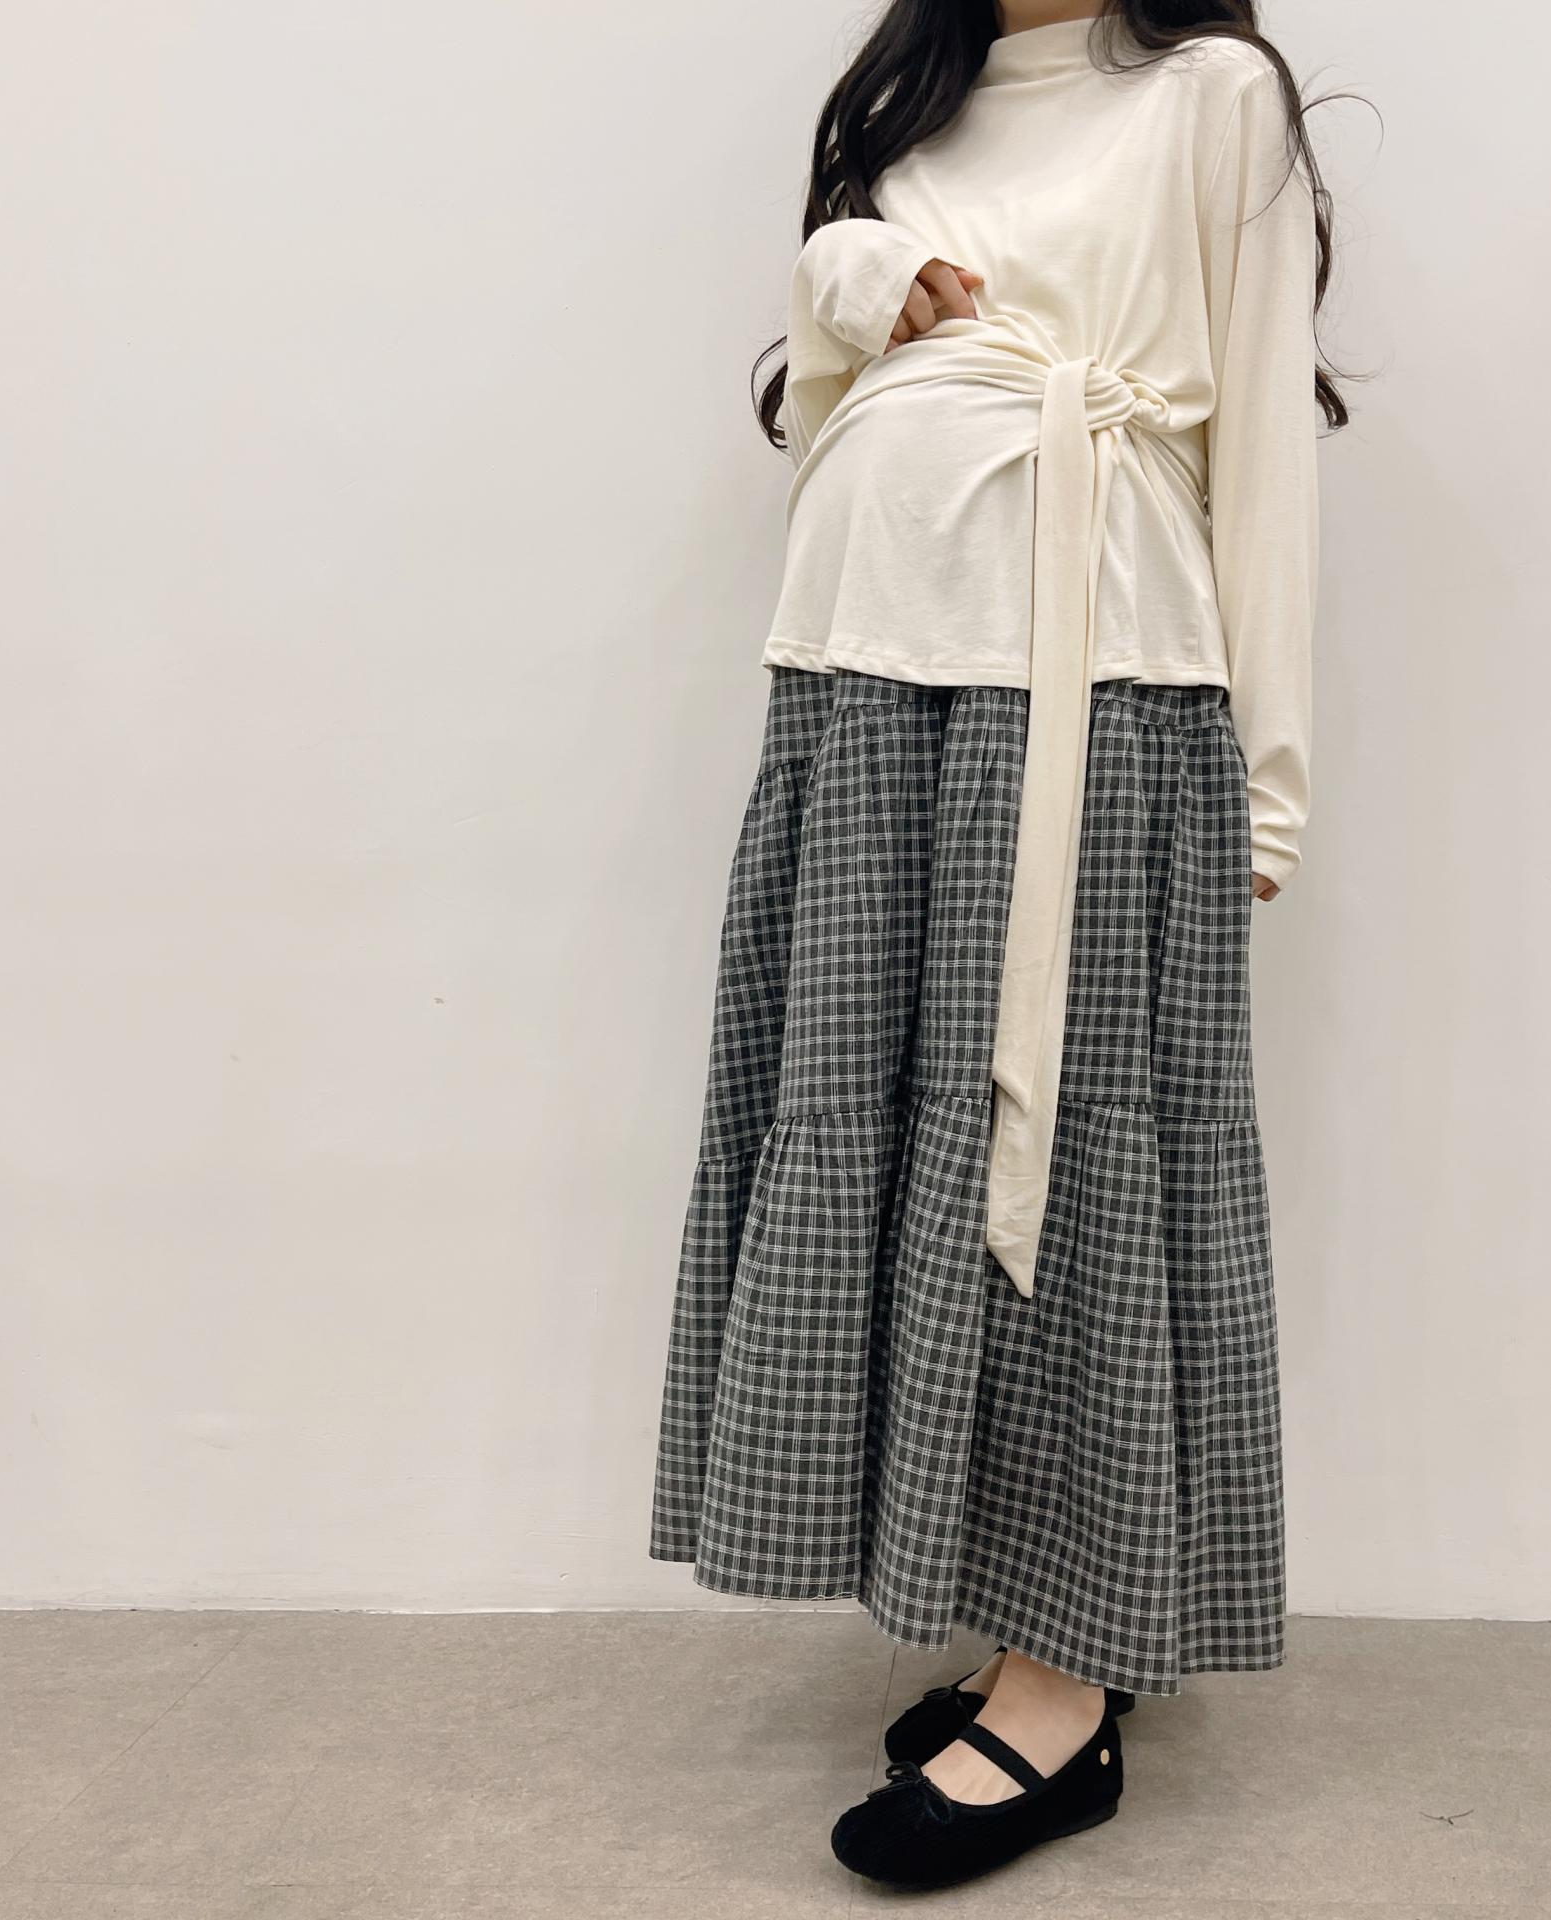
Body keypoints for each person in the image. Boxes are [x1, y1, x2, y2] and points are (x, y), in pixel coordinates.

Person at [651, 0, 1344, 1889]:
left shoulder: (1211, 96)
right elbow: (824, 418)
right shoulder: (910, 112)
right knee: (897, 1153)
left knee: (1074, 1161)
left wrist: (1268, 787)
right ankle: (1008, 1604)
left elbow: (1261, 445)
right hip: (862, 680)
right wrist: (850, 285)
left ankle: (1066, 1677)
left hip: (1097, 685)